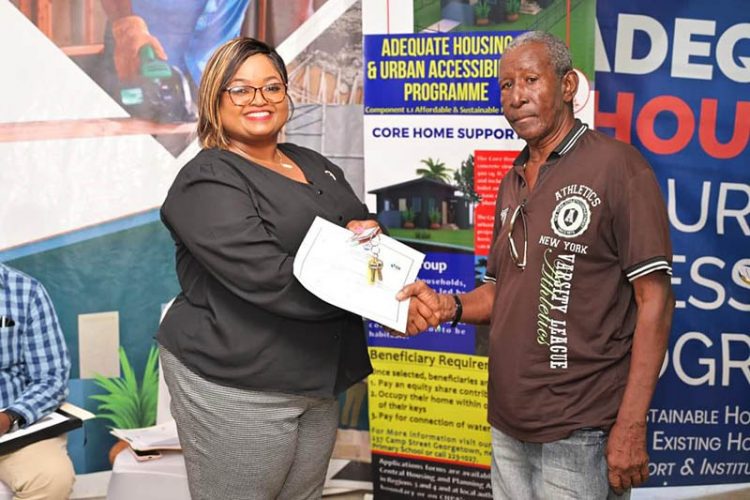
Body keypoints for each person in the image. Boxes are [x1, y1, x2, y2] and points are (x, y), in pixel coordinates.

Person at [397, 31, 675, 499]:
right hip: (508, 419)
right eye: (505, 85)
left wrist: (630, 424)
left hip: (580, 425)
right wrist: (447, 306)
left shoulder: (619, 167)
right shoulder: (511, 180)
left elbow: (655, 303)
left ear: (567, 86)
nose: (516, 96)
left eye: (529, 79)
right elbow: (500, 289)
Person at [157, 37, 375, 500]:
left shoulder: (311, 163)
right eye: (241, 90)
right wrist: (378, 296)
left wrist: (370, 238)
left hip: (314, 374)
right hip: (237, 381)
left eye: (272, 87)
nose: (260, 100)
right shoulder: (208, 179)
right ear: (215, 101)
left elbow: (361, 229)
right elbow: (272, 278)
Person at [0, 263, 74, 499]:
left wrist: (10, 417)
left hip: (11, 426)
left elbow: (51, 376)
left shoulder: (26, 291)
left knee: (52, 477)